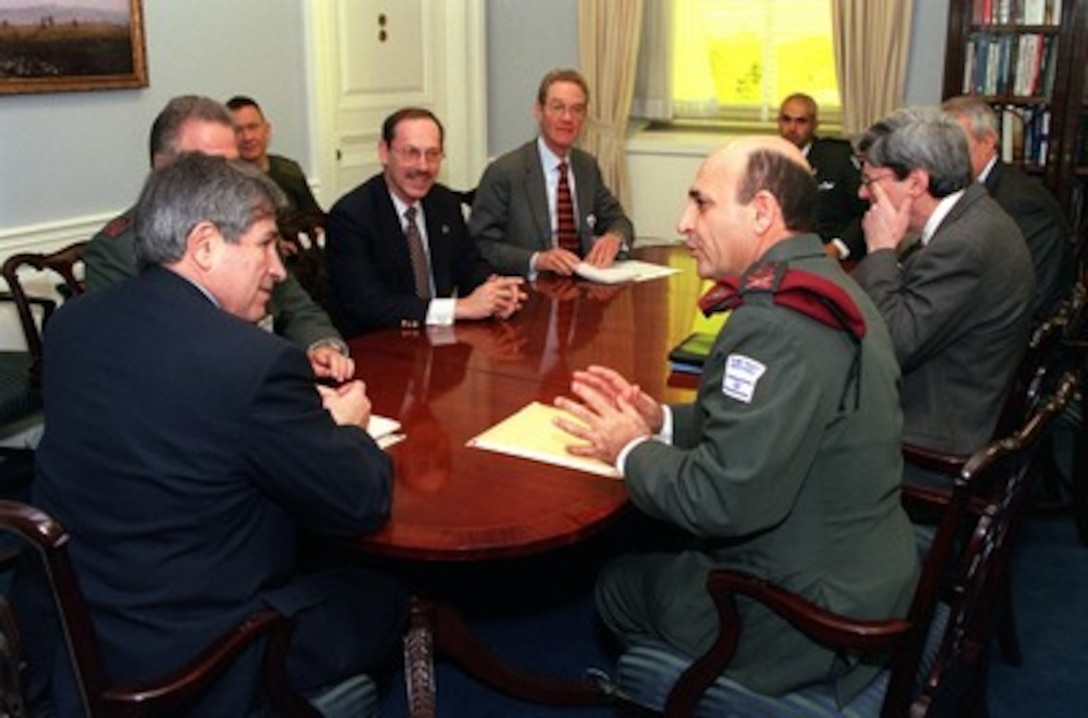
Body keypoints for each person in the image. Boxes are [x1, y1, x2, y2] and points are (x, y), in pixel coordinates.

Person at [16, 153, 406, 715]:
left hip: (80, 632)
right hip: (206, 658)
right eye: (266, 243)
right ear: (203, 245)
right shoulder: (255, 364)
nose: (278, 268)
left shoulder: (74, 325)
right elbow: (361, 500)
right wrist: (345, 428)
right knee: (391, 591)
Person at [553, 136, 919, 700]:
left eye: (701, 203)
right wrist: (660, 423)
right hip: (868, 572)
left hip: (807, 616)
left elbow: (719, 500)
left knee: (616, 583)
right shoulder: (830, 282)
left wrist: (629, 450)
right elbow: (771, 419)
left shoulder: (772, 322)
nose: (681, 222)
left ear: (763, 213)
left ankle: (674, 694)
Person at [83, 95, 353, 383]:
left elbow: (297, 307)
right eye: (209, 167)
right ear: (163, 168)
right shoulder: (118, 250)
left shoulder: (250, 230)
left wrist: (322, 346)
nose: (231, 180)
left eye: (234, 165)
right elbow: (145, 363)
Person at [852, 106, 1035, 480]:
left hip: (927, 445)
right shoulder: (970, 217)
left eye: (870, 180)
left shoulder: (965, 244)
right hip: (950, 408)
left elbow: (892, 344)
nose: (861, 192)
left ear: (916, 183)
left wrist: (881, 251)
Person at [324, 107, 526, 336]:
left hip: (441, 342)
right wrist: (459, 308)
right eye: (411, 153)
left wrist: (495, 291)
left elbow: (469, 265)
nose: (423, 166)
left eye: (433, 154)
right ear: (384, 152)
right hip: (381, 347)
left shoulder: (444, 202)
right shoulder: (352, 216)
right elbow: (369, 305)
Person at [468, 68, 635, 278]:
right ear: (539, 111)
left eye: (577, 110)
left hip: (581, 286)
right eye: (558, 107)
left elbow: (619, 220)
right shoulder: (505, 172)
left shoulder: (586, 167)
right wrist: (537, 260)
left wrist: (614, 237)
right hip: (529, 291)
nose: (567, 118)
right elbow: (480, 244)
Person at [942, 95, 1075, 322]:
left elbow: (1020, 296)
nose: (945, 155)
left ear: (987, 142)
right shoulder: (961, 186)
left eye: (956, 145)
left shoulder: (1022, 205)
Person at [777, 92, 868, 260]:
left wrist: (838, 247)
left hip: (834, 255)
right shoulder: (769, 159)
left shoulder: (837, 158)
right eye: (786, 120)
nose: (792, 128)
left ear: (814, 125)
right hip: (784, 254)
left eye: (801, 121)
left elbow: (867, 211)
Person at [226, 94, 324, 221]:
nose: (247, 137)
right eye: (238, 130)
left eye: (253, 127)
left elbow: (315, 217)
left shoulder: (290, 171)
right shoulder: (223, 182)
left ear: (267, 130)